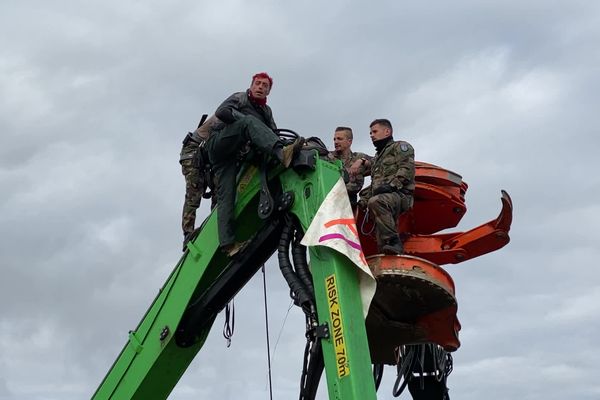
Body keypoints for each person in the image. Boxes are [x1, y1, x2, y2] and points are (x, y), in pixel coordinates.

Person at [206, 72, 301, 257]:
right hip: (220, 144)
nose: (260, 87)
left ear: (268, 91)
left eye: (265, 86)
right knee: (249, 123)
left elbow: (273, 132)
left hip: (235, 157)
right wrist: (245, 123)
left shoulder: (266, 112)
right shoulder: (240, 98)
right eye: (257, 83)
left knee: (227, 196)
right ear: (251, 85)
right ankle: (282, 154)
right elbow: (222, 112)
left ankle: (228, 244)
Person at [357, 119, 415, 255]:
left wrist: (391, 186)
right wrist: (361, 202)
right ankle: (389, 253)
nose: (371, 135)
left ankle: (394, 241)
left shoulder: (400, 147)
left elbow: (407, 169)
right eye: (370, 132)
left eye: (375, 131)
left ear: (387, 131)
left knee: (376, 201)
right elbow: (374, 185)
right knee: (381, 244)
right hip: (385, 198)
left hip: (401, 196)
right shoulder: (378, 158)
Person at [179, 115, 220, 250]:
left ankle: (216, 223)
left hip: (208, 157)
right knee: (194, 191)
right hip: (192, 153)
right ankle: (188, 233)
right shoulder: (224, 117)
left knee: (219, 187)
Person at [327, 127, 371, 209]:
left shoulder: (359, 157)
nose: (336, 142)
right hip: (329, 200)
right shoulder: (327, 157)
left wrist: (362, 161)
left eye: (339, 139)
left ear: (349, 141)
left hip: (350, 202)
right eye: (334, 139)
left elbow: (380, 164)